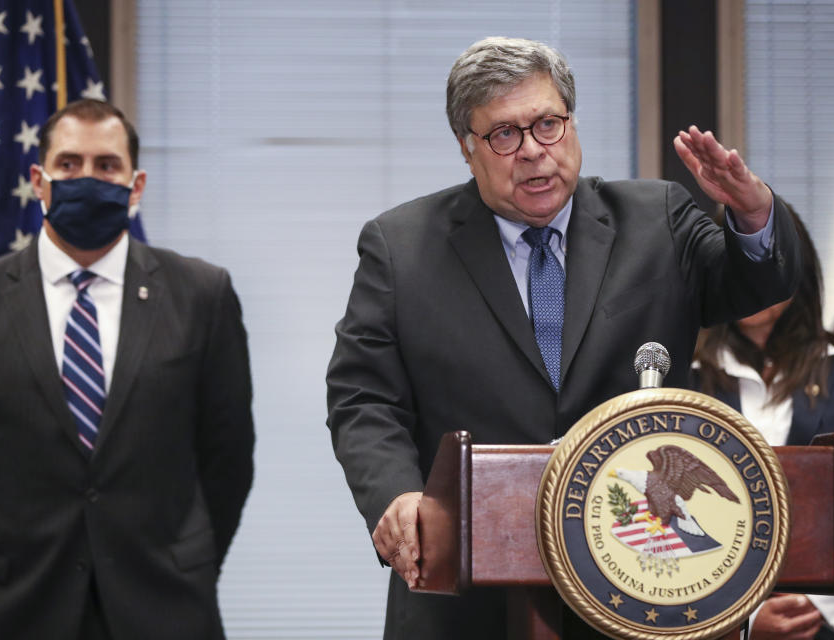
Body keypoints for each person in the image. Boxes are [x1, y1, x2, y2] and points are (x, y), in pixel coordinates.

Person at [326, 37, 801, 639]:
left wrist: (754, 215)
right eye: (504, 135)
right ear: (467, 149)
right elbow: (362, 398)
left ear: (571, 124)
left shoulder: (656, 219)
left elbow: (752, 285)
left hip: (641, 585)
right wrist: (397, 494)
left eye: (548, 124)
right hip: (465, 598)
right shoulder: (401, 248)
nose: (532, 152)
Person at [0, 99, 255, 639]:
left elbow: (227, 458)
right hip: (4, 608)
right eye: (68, 165)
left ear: (135, 185)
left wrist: (187, 562)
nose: (87, 178)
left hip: (163, 605)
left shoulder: (201, 295)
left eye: (106, 166)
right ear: (38, 180)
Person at [693, 211, 834, 639]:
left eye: (765, 265)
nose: (752, 283)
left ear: (797, 270)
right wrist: (745, 623)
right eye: (738, 268)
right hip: (727, 618)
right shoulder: (685, 375)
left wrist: (818, 606)